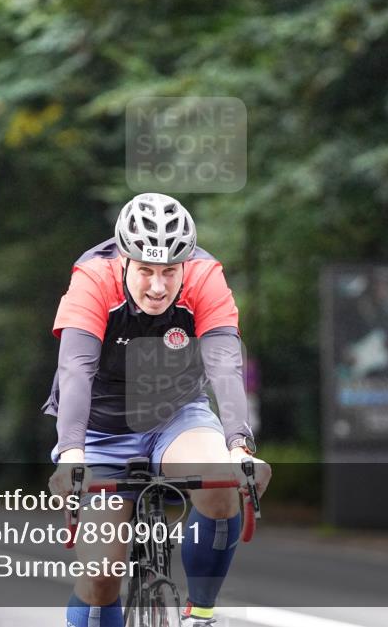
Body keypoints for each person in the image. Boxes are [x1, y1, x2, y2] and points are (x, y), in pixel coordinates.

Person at [44, 193, 271, 627]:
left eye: (169, 272)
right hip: (102, 425)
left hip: (177, 413)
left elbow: (225, 364)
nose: (157, 286)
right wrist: (72, 454)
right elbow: (76, 369)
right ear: (124, 261)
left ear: (185, 264)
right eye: (145, 270)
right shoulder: (92, 278)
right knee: (100, 578)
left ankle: (200, 614)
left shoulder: (207, 277)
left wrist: (239, 446)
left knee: (222, 484)